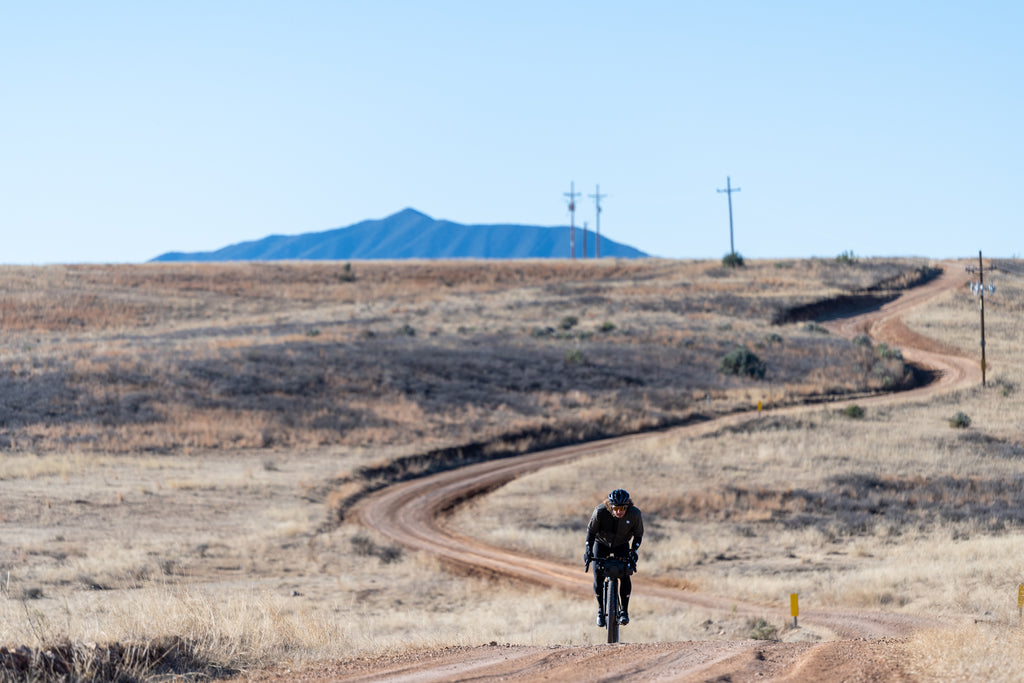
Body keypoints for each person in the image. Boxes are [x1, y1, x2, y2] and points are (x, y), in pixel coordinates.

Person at [584, 488, 644, 627]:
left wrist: (633, 550)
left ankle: (624, 611)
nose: (619, 511)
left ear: (627, 506)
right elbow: (591, 532)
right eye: (616, 508)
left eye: (623, 508)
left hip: (621, 544)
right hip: (601, 543)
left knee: (625, 575)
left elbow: (638, 535)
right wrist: (588, 550)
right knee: (598, 577)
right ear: (610, 506)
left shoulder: (634, 514)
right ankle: (600, 610)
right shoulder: (600, 512)